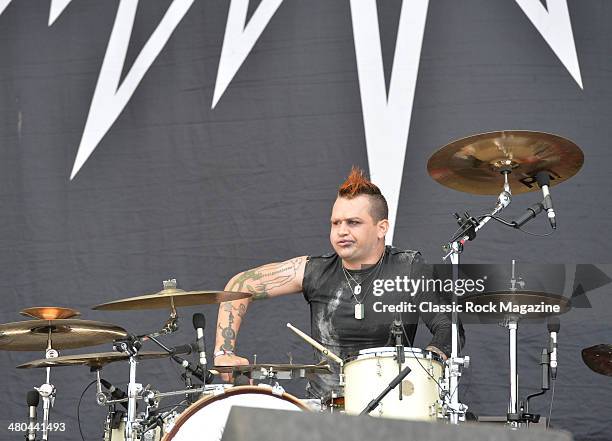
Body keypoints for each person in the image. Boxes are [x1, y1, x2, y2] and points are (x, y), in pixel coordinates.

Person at [213, 167, 461, 398]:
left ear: (381, 228)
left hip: (391, 409)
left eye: (353, 222)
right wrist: (224, 353)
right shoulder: (315, 270)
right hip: (325, 414)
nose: (341, 231)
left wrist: (432, 360)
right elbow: (241, 284)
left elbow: (449, 326)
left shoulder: (408, 268)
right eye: (336, 223)